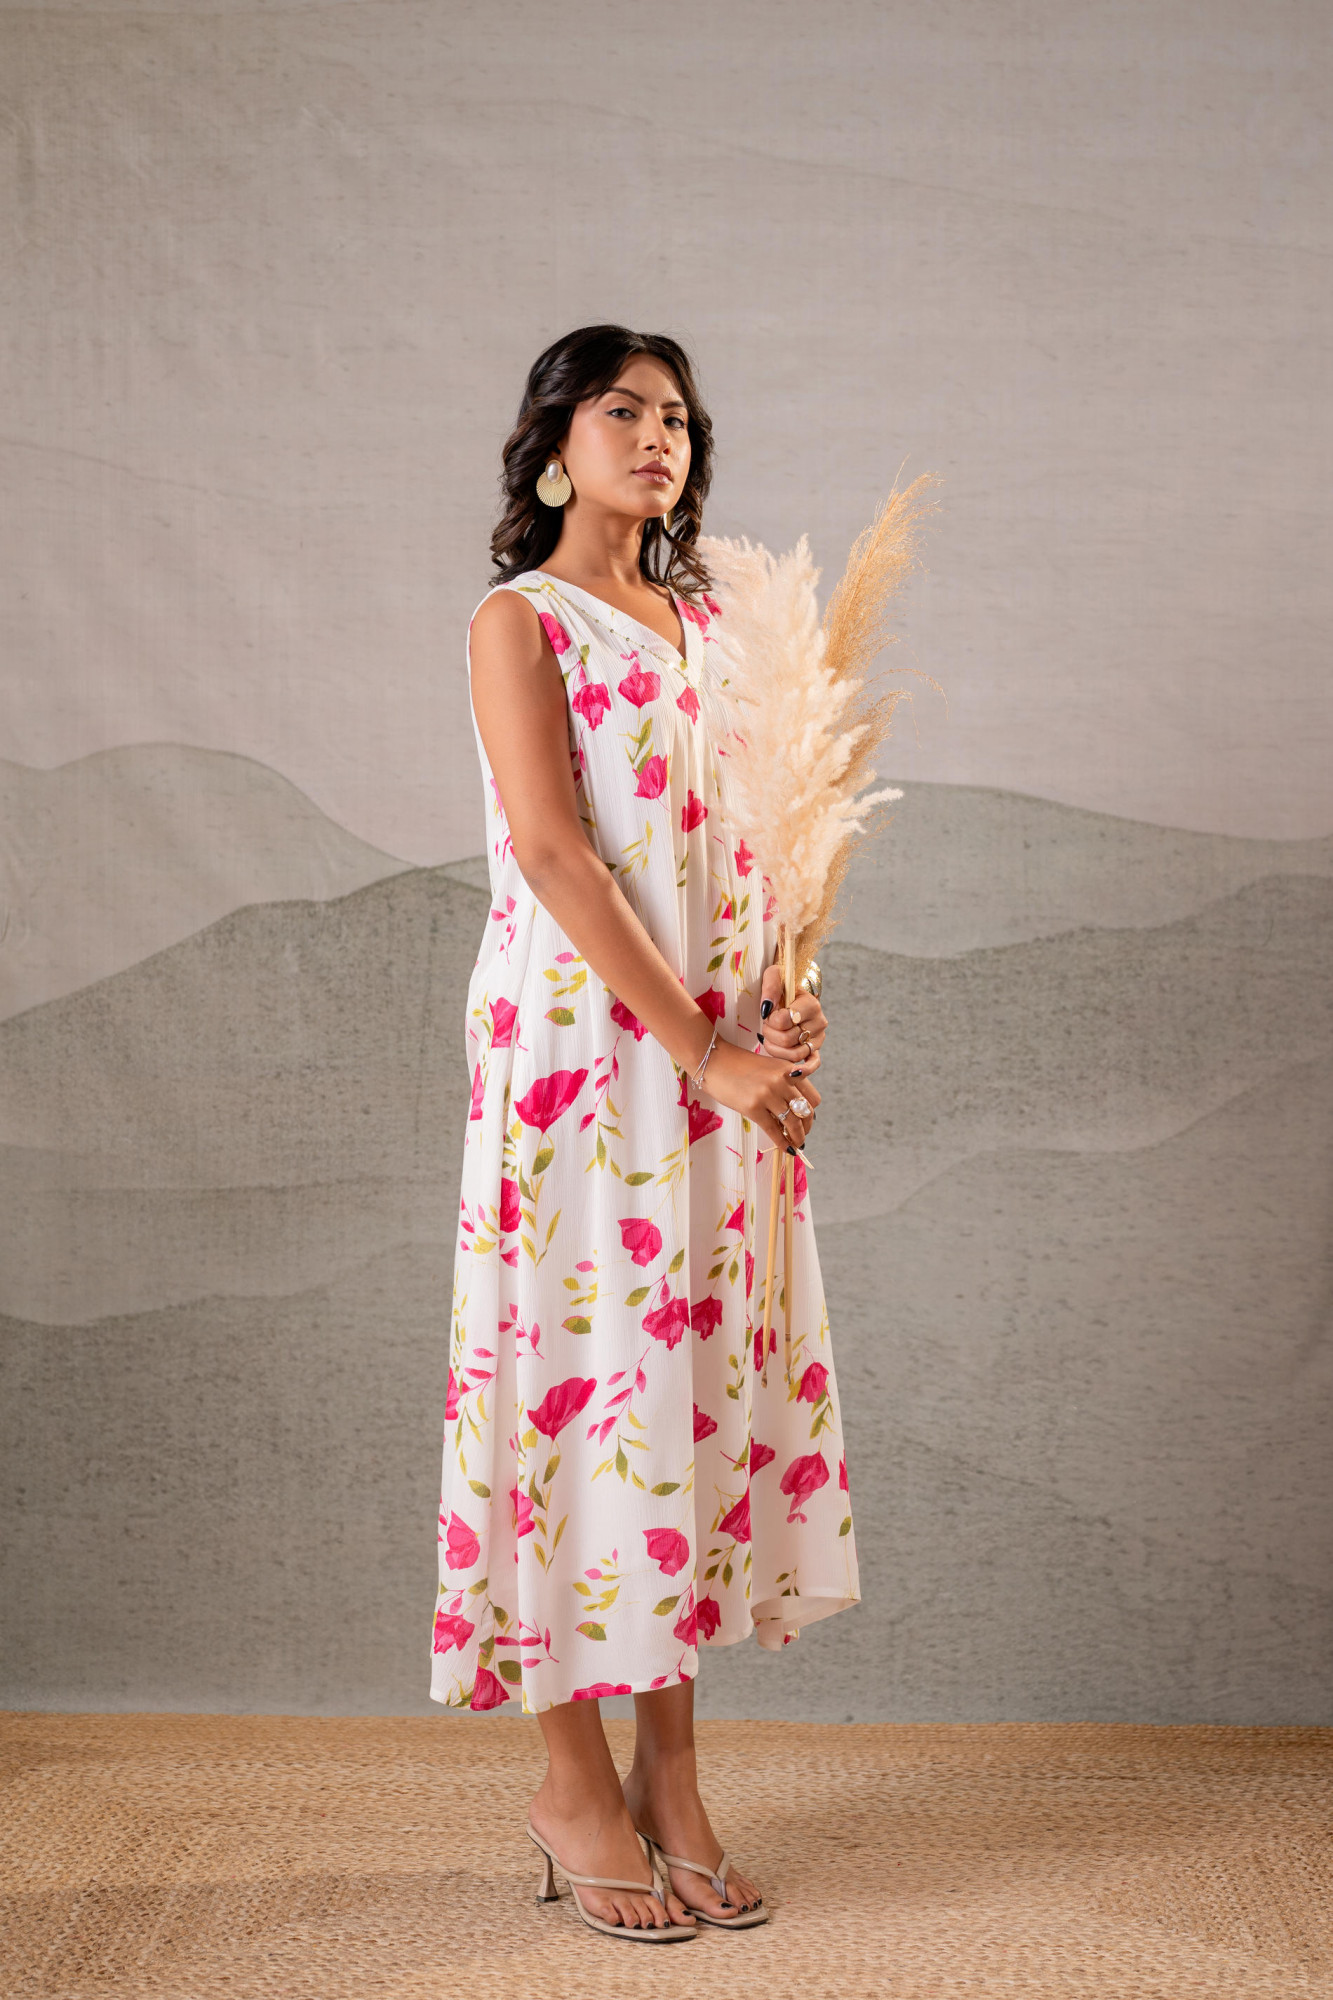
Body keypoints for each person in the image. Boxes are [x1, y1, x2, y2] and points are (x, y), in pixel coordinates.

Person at [430, 324, 859, 1942]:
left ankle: (671, 1783)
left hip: (717, 1060)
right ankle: (570, 1785)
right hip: (582, 1060)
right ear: (555, 443)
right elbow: (553, 852)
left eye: (675, 414)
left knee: (682, 1399)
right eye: (621, 410)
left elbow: (761, 842)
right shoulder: (519, 620)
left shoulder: (716, 626)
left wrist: (779, 1009)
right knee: (570, 1388)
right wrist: (699, 1049)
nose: (657, 435)